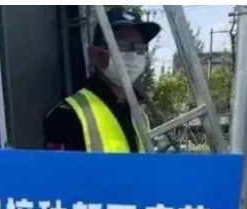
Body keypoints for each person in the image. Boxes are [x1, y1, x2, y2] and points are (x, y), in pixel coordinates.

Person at [43, 8, 160, 153]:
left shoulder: (140, 117)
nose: (133, 55)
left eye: (140, 48)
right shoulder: (67, 115)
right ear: (95, 54)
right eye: (121, 46)